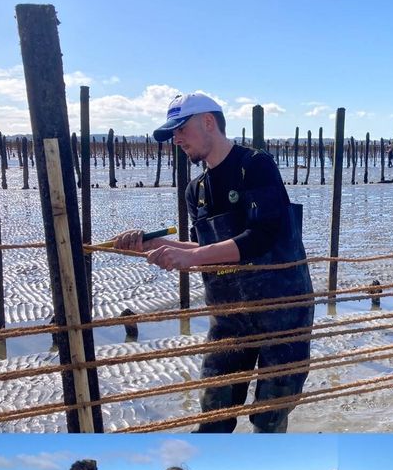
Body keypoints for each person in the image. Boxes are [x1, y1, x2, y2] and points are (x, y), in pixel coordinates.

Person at [113, 92, 314, 433]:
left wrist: (189, 256)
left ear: (208, 122)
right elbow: (205, 248)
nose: (176, 139)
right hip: (229, 318)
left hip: (283, 312)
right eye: (172, 133)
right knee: (213, 415)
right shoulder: (196, 190)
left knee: (269, 417)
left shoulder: (255, 166)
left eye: (181, 129)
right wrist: (153, 243)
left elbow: (261, 236)